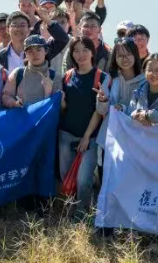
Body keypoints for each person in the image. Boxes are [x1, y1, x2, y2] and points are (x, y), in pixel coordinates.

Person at [59, 36, 111, 217]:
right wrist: (61, 102)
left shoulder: (102, 77)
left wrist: (87, 136)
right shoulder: (67, 77)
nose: (80, 55)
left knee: (83, 180)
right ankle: (69, 211)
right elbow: (64, 109)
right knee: (67, 177)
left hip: (91, 138)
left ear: (92, 53)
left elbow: (99, 110)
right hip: (66, 135)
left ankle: (81, 216)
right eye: (76, 51)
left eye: (85, 50)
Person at [95, 37, 144, 191]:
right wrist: (102, 100)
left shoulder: (144, 80)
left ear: (135, 55)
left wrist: (122, 108)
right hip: (109, 138)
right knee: (106, 183)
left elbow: (143, 108)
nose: (124, 59)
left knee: (128, 186)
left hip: (133, 142)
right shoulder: (111, 79)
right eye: (120, 55)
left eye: (128, 54)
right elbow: (101, 111)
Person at [0, 9, 68, 74]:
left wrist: (48, 21)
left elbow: (63, 40)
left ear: (29, 30)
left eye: (22, 25)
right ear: (7, 30)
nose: (18, 29)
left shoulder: (40, 50)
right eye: (14, 25)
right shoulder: (0, 56)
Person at [119, 53, 158, 124]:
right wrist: (122, 108)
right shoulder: (137, 93)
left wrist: (150, 115)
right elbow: (129, 117)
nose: (153, 74)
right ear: (144, 72)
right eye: (149, 70)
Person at [2, 35, 61, 109]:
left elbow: (59, 106)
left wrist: (48, 93)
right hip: (23, 116)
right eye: (30, 51)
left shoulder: (55, 76)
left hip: (46, 116)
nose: (35, 54)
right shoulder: (18, 73)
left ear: (46, 51)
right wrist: (14, 103)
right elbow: (6, 96)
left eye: (38, 50)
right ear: (25, 54)